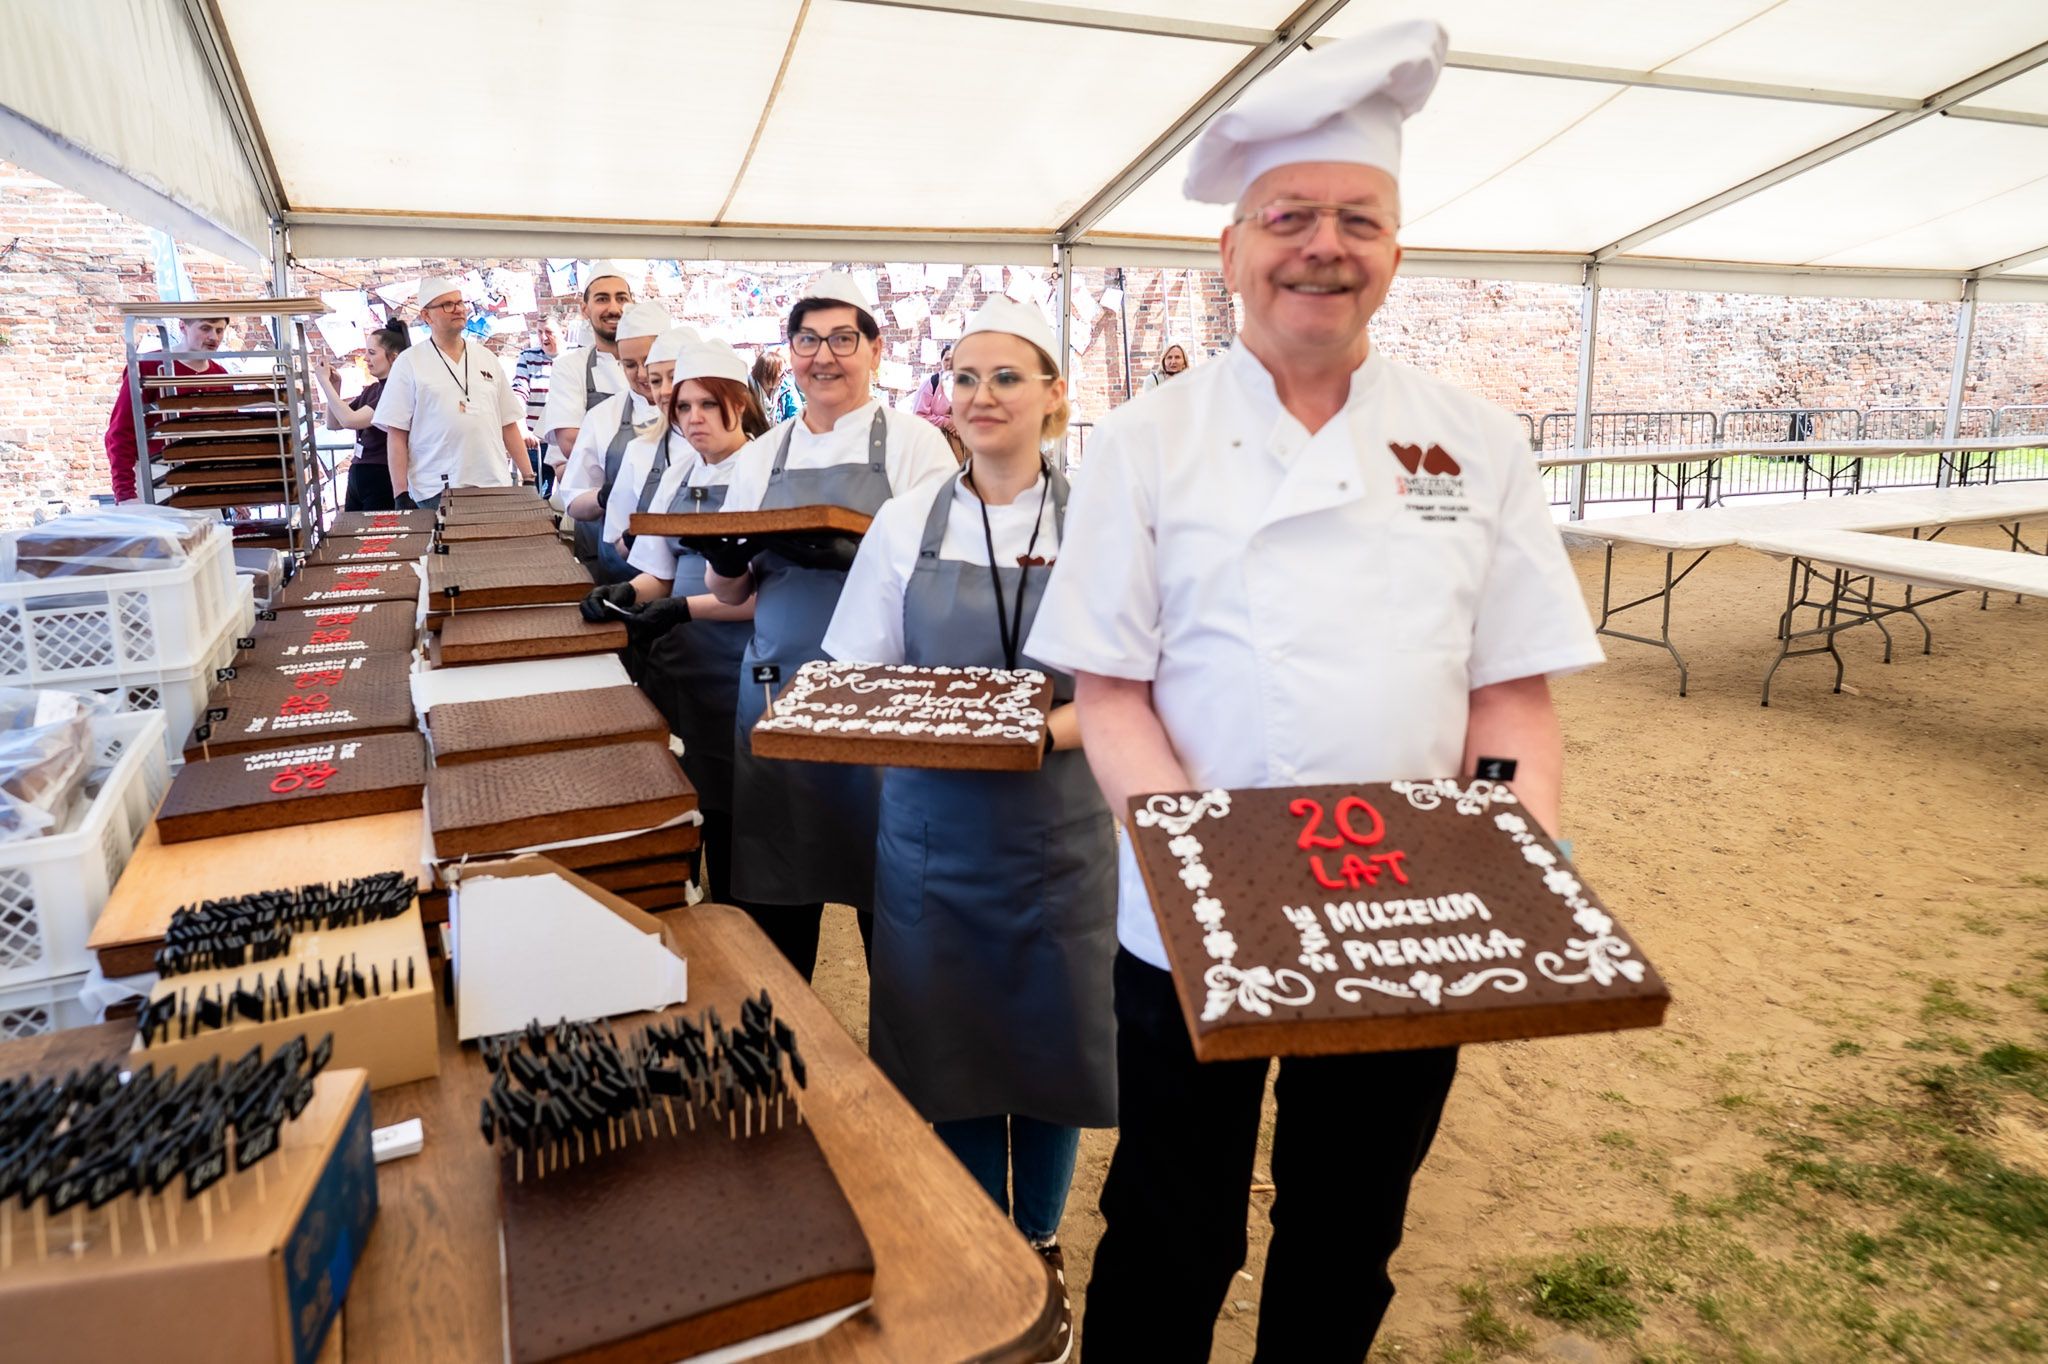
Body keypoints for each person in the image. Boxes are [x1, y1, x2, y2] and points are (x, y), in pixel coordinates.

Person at [1024, 22, 1604, 1362]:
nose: (1324, 244)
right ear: (1231, 251)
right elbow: (1110, 693)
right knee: (1176, 1217)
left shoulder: (1475, 439)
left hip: (1410, 912)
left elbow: (1510, 700)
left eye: (1362, 218)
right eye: (1289, 215)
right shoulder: (1147, 444)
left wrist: (1509, 860)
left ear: (1395, 252)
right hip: (1187, 921)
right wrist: (1211, 875)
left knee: (1350, 1224)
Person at [820, 298, 1112, 1364]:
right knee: (937, 1034)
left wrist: (1041, 730)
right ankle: (969, 1231)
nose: (981, 396)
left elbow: (1146, 685)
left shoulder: (1103, 523)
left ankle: (1033, 1238)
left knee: (1053, 1037)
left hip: (1064, 826)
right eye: (962, 377)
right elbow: (854, 667)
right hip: (931, 829)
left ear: (1052, 397)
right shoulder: (908, 523)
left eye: (1006, 376)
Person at [702, 272, 955, 980]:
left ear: (875, 350)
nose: (825, 356)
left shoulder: (915, 447)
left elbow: (939, 579)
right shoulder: (761, 455)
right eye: (809, 340)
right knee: (779, 904)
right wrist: (724, 557)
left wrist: (867, 552)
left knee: (891, 898)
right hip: (778, 687)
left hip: (880, 697)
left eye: (844, 339)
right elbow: (730, 592)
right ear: (790, 351)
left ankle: (895, 1079)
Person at [583, 337, 766, 905]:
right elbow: (657, 574)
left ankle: (739, 922)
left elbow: (768, 595)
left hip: (740, 670)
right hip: (677, 664)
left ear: (740, 404)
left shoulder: (765, 470)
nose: (694, 419)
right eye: (683, 408)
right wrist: (624, 595)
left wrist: (679, 608)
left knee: (738, 818)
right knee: (682, 802)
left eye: (709, 405)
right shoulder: (678, 471)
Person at [373, 276, 533, 509]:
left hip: (493, 484)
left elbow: (508, 422)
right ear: (426, 316)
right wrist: (400, 494)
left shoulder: (486, 357)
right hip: (436, 489)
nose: (458, 309)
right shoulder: (409, 362)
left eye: (460, 303)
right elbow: (396, 432)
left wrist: (528, 477)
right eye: (448, 305)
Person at [558, 301, 677, 578]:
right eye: (630, 364)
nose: (642, 374)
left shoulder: (695, 414)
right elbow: (573, 501)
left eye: (649, 362)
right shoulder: (602, 418)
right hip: (621, 569)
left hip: (684, 569)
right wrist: (604, 496)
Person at [103, 316, 230, 502]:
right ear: (183, 327)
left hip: (205, 480)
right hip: (157, 476)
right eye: (205, 328)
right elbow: (120, 432)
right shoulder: (149, 367)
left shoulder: (219, 376)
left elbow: (228, 438)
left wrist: (232, 484)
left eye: (219, 330)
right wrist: (125, 493)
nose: (214, 337)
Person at [541, 261, 637, 462]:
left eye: (621, 298)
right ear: (585, 309)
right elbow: (571, 443)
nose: (614, 308)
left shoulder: (656, 364)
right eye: (602, 299)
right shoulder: (570, 367)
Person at [314, 319, 411, 511]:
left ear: (394, 357)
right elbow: (334, 423)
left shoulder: (394, 391)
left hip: (381, 475)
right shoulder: (373, 389)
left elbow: (350, 420)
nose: (366, 358)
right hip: (359, 472)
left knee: (377, 537)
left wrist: (324, 382)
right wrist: (334, 386)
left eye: (372, 353)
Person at [513, 318, 558, 492]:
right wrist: (522, 429)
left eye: (549, 331)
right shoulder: (528, 357)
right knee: (539, 495)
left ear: (562, 331)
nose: (543, 337)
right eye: (539, 332)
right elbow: (519, 392)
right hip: (537, 442)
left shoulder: (574, 357)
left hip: (567, 441)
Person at [912, 342, 954, 431]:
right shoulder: (931, 384)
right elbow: (919, 417)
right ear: (941, 362)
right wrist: (946, 422)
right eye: (947, 359)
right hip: (934, 439)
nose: (950, 363)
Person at [752, 349, 800, 423]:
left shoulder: (786, 386)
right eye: (781, 373)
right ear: (767, 374)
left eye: (786, 371)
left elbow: (797, 415)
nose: (785, 375)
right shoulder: (749, 390)